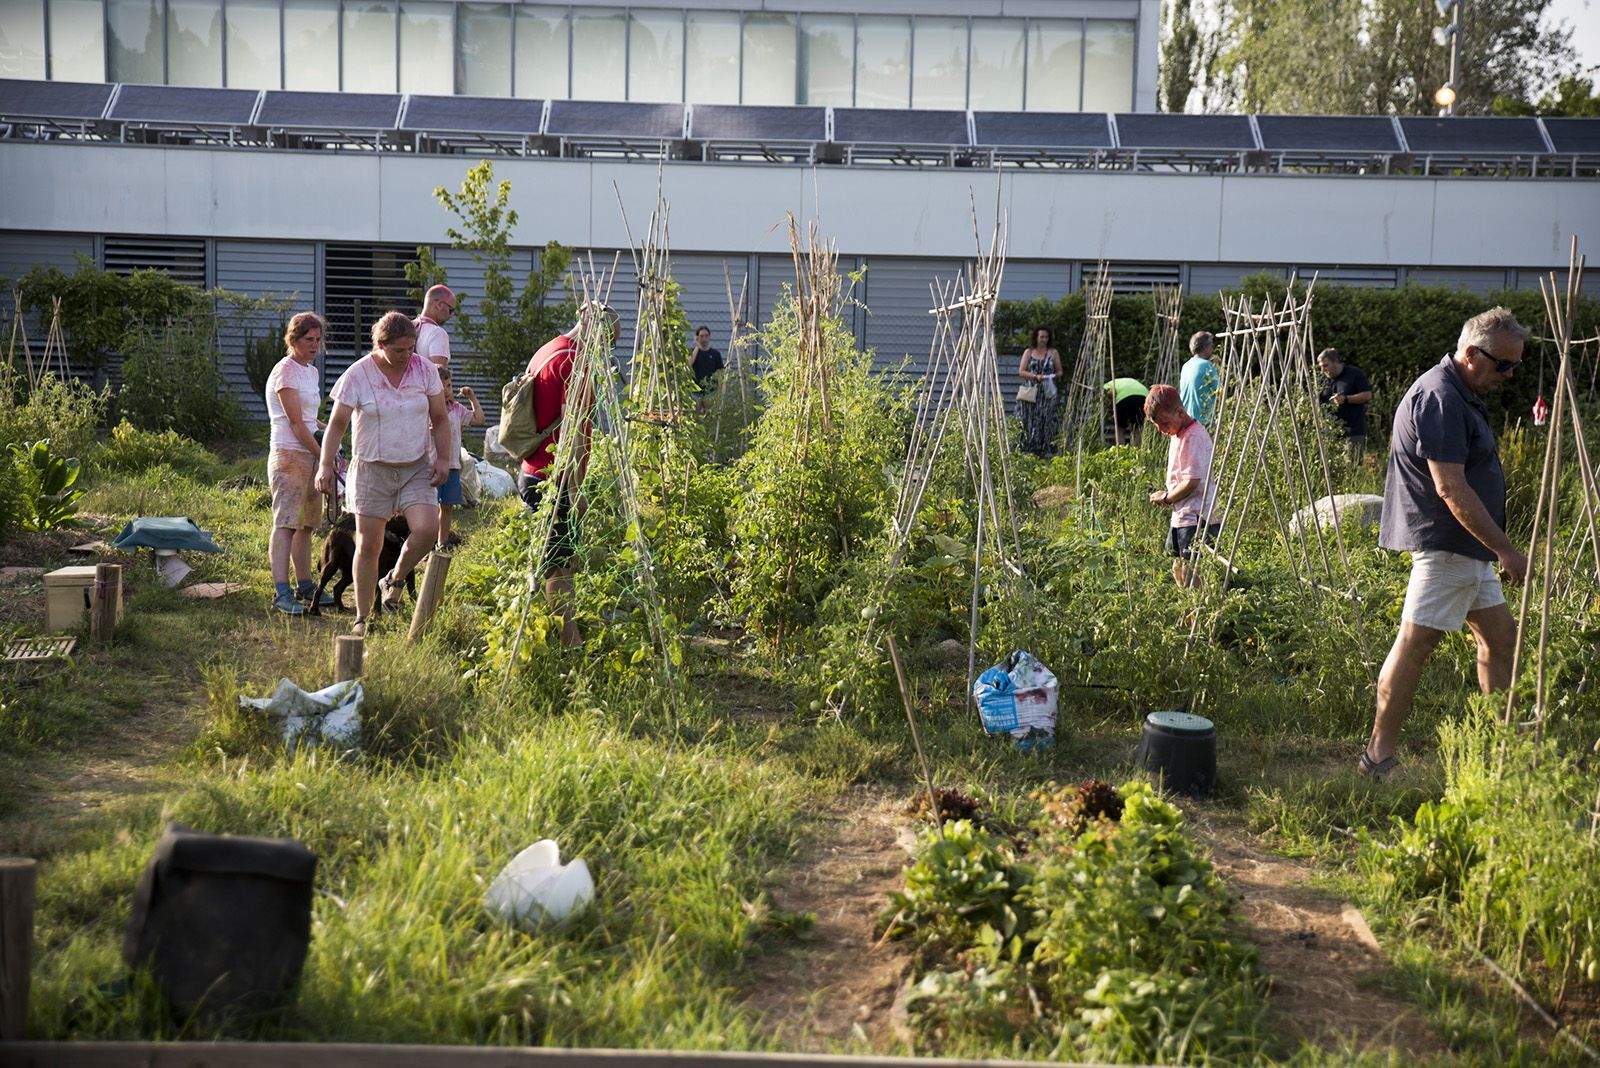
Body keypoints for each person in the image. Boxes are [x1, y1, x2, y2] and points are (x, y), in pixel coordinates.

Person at [1362, 308, 1529, 781]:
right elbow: (1450, 489)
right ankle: (1377, 757)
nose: (1511, 376)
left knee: (1500, 642)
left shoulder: (1460, 392)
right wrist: (1506, 550)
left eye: (1515, 365)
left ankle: (1505, 751)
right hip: (1449, 546)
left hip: (1467, 549)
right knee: (1415, 645)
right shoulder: (1441, 397)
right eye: (1504, 365)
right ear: (1472, 354)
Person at [315, 311, 452, 636]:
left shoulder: (424, 371)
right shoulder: (358, 374)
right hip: (372, 469)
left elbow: (441, 418)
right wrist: (324, 464)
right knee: (368, 545)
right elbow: (336, 425)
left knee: (428, 528)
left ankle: (395, 577)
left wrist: (443, 459)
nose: (407, 356)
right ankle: (362, 617)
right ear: (380, 344)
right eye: (399, 350)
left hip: (415, 466)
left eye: (411, 349)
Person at [519, 308, 614, 648]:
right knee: (558, 564)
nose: (606, 352)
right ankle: (568, 642)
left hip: (533, 470)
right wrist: (575, 490)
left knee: (555, 558)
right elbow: (573, 428)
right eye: (608, 342)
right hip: (554, 478)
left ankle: (562, 635)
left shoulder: (549, 349)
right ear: (596, 332)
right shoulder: (574, 362)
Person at [265, 312, 332, 615]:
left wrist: (329, 435)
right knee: (286, 523)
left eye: (318, 339)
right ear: (293, 339)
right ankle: (281, 591)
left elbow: (308, 418)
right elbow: (294, 422)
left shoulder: (310, 371)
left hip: (310, 452)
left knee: (306, 524)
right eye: (308, 340)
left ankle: (306, 585)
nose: (314, 345)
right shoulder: (286, 372)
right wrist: (323, 454)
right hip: (289, 454)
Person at [1146, 384, 1218, 588]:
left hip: (1197, 516)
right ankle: (1187, 611)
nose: (1161, 430)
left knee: (1193, 571)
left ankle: (1198, 611)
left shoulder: (1193, 436)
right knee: (1177, 565)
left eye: (1164, 423)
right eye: (1157, 426)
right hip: (1182, 515)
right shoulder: (1178, 433)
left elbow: (1192, 481)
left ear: (1180, 412)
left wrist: (1166, 497)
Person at [435, 363, 484, 550]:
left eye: (448, 386)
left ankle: (442, 542)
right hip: (431, 466)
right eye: (441, 387)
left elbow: (479, 419)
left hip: (452, 466)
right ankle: (426, 543)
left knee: (446, 506)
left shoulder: (456, 409)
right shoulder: (427, 409)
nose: (446, 391)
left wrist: (472, 397)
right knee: (430, 509)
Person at [1316, 347, 1374, 458]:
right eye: (1321, 367)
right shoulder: (1323, 379)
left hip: (1352, 432)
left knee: (1351, 468)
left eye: (1325, 365)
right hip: (1330, 433)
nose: (1322, 370)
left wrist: (1346, 399)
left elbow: (1367, 396)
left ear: (1336, 362)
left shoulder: (1354, 374)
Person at [1016, 326, 1064, 457]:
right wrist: (1034, 376)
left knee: (1047, 419)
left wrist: (1050, 376)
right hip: (1031, 391)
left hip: (1047, 391)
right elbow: (1021, 371)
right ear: (1036, 338)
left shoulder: (1053, 353)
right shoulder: (1029, 352)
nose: (1044, 340)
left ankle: (1046, 449)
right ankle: (1028, 448)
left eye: (1046, 337)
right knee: (1029, 419)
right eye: (1041, 337)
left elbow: (1060, 371)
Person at [1179, 331, 1221, 428]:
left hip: (1186, 419)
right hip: (1202, 421)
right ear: (1205, 347)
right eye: (1211, 344)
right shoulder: (1206, 365)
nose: (1212, 348)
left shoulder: (1186, 366)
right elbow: (1219, 392)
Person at [414, 284, 456, 368]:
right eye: (450, 310)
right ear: (439, 305)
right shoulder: (438, 333)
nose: (451, 315)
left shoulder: (408, 327)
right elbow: (439, 375)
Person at [1102, 377, 1149, 446]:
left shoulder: (1106, 386)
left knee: (1120, 428)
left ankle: (1121, 450)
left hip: (1123, 399)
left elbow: (1111, 393)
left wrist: (1111, 410)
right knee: (1137, 428)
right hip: (1143, 397)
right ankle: (1136, 451)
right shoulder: (1132, 381)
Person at [689, 326, 723, 394]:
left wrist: (720, 389)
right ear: (697, 337)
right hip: (695, 391)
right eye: (701, 336)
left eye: (706, 335)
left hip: (711, 391)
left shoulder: (715, 354)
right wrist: (697, 345)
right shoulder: (693, 352)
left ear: (709, 337)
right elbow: (689, 363)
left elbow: (720, 372)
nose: (704, 338)